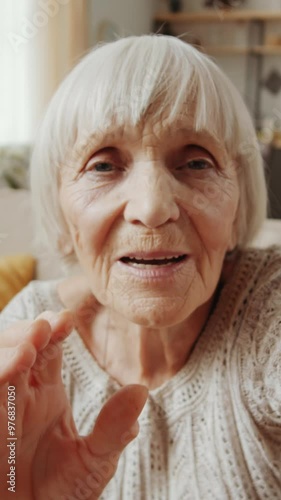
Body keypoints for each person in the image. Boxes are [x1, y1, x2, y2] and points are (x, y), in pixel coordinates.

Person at [0, 34, 280, 500]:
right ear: (64, 212)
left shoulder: (268, 304)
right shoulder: (30, 341)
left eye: (196, 161)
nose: (151, 207)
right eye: (103, 166)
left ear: (239, 201)